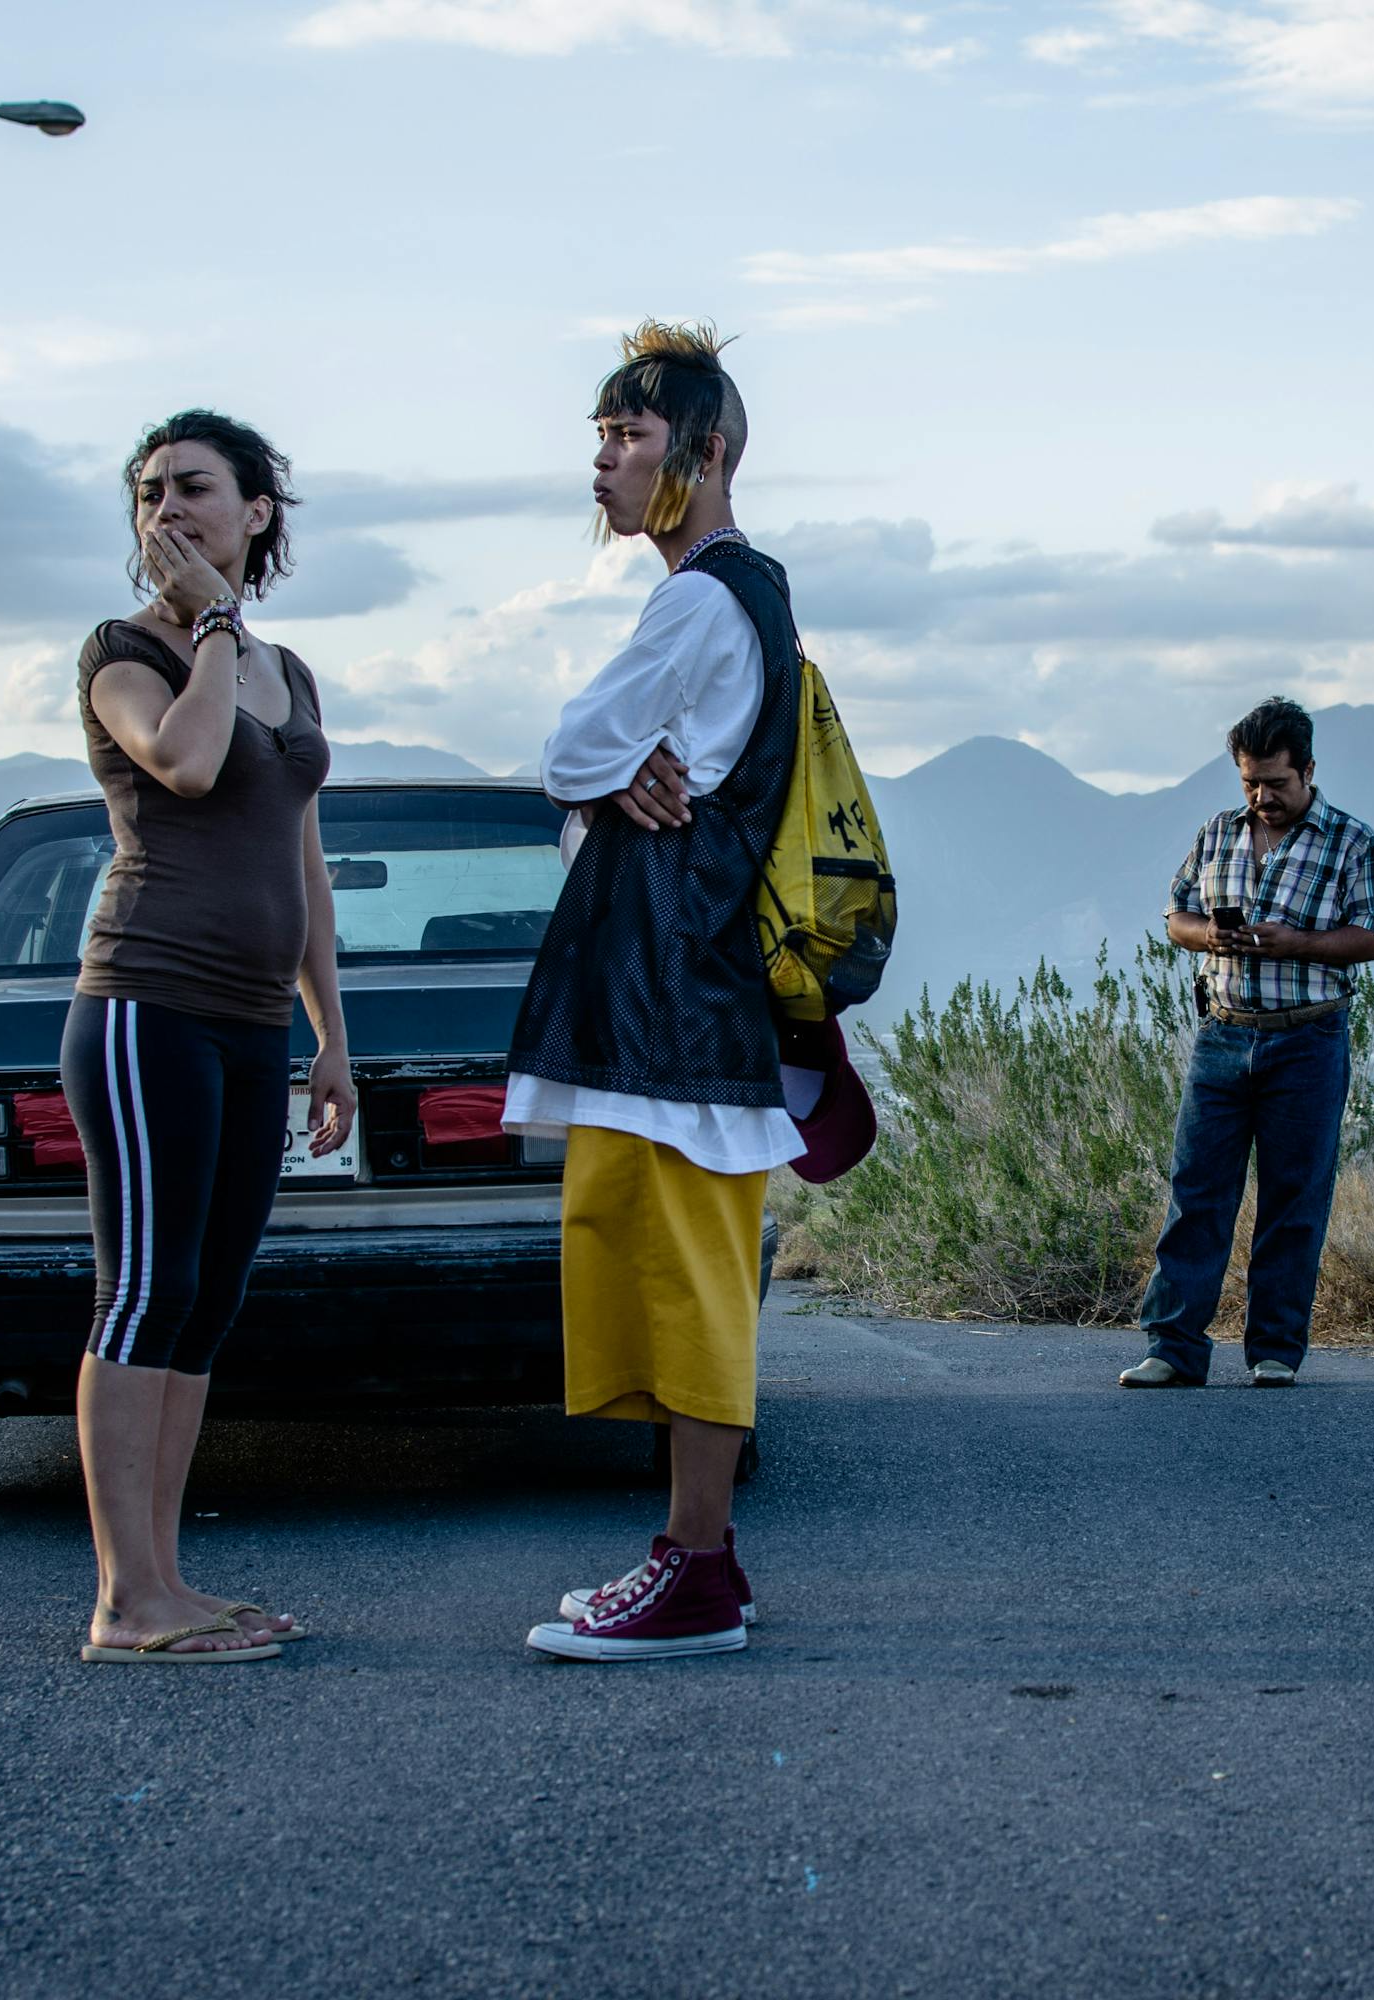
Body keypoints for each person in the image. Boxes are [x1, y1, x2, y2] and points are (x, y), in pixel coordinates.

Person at [504, 321, 806, 1662]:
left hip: (671, 1002)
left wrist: (601, 767)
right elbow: (596, 763)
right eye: (601, 440)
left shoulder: (699, 598)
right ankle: (690, 1559)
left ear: (706, 450)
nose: (603, 465)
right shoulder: (742, 595)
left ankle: (699, 1570)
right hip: (676, 999)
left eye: (626, 439)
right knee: (667, 1268)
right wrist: (608, 773)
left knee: (686, 1281)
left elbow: (572, 741)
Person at [64, 410, 354, 1663]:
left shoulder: (284, 667)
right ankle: (125, 1601)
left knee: (204, 1303)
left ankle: (170, 1580)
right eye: (147, 495)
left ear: (257, 513)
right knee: (144, 1290)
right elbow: (182, 764)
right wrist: (216, 631)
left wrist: (330, 1033)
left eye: (192, 488)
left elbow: (300, 856)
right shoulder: (125, 651)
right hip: (144, 1005)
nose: (164, 511)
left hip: (247, 1026)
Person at [1122, 697, 1374, 1390]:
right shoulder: (1217, 832)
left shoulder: (1352, 842)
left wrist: (1297, 944)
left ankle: (1275, 1351)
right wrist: (1208, 935)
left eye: (1276, 782)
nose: (1262, 796)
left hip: (1307, 1042)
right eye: (1250, 781)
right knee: (1197, 1194)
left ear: (1308, 770)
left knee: (1293, 1199)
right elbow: (1174, 914)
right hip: (1222, 1036)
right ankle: (1173, 1349)